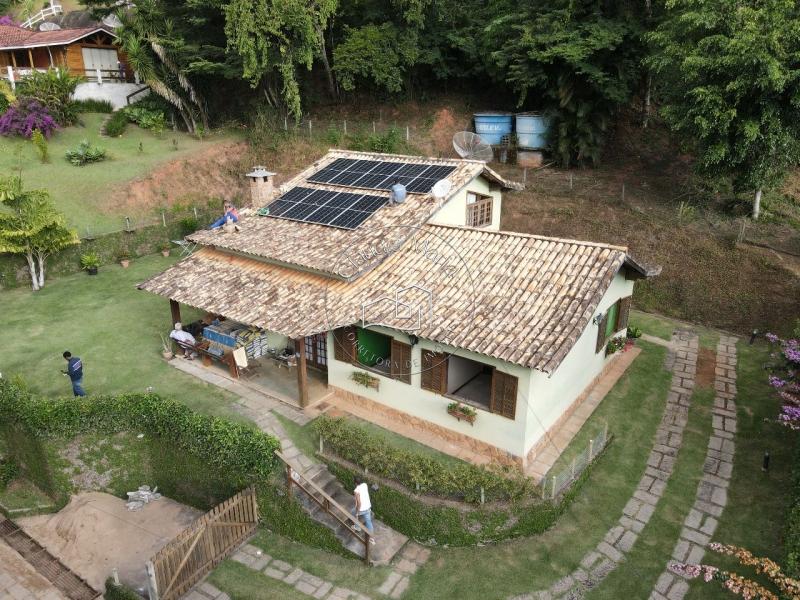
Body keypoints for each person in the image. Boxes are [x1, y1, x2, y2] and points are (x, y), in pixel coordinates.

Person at [352, 477, 376, 543]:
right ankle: (372, 538)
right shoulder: (365, 485)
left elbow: (359, 503)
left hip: (361, 509)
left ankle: (357, 527)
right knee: (369, 522)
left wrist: (357, 512)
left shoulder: (356, 490)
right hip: (368, 507)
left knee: (353, 513)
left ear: (355, 483)